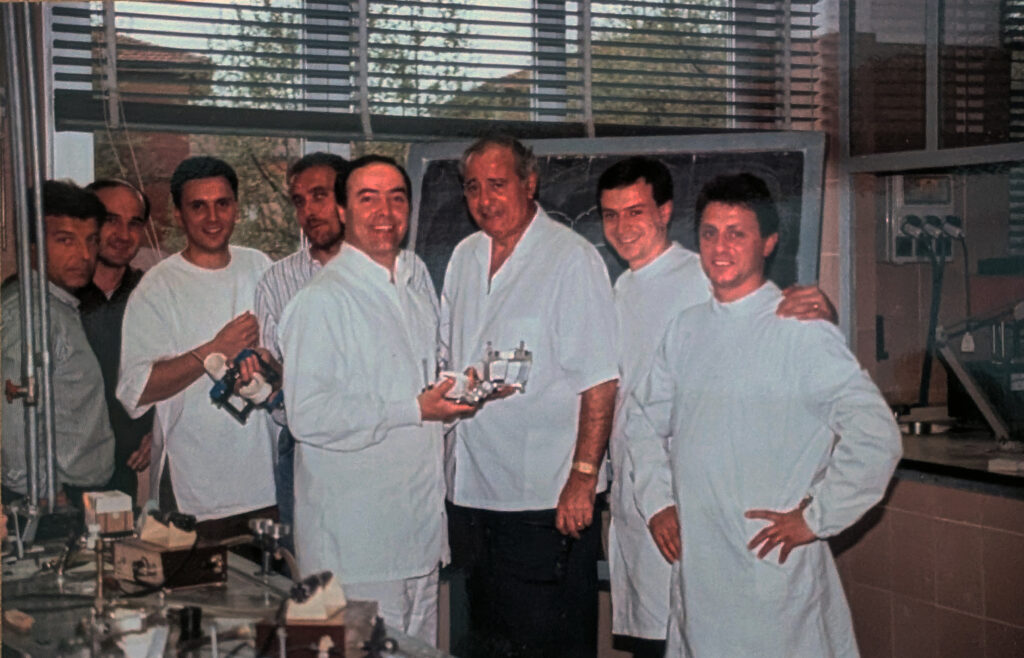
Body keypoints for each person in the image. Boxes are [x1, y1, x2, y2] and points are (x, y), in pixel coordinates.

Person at [626, 172, 901, 657]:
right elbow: (643, 420)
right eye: (710, 233)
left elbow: (877, 437)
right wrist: (657, 501)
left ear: (768, 242)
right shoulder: (687, 330)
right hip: (700, 574)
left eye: (738, 233)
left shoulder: (800, 330)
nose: (720, 247)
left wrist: (816, 518)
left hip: (770, 572)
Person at [598, 157, 836, 657]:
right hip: (646, 505)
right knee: (659, 638)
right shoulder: (620, 288)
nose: (622, 228)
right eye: (611, 215)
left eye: (635, 212)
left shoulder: (703, 279)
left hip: (707, 513)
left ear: (665, 213)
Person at [279, 155, 474, 645]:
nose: (384, 211)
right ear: (343, 210)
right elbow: (307, 416)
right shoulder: (321, 301)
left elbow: (422, 392)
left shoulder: (413, 284)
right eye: (367, 198)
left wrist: (456, 395)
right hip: (356, 549)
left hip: (419, 538)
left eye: (397, 197)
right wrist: (414, 409)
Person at [441, 135, 619, 657]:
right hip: (473, 497)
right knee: (485, 645)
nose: (485, 199)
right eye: (473, 188)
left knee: (548, 645)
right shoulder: (463, 257)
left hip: (546, 502)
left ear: (530, 183)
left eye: (498, 184)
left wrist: (583, 478)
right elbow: (452, 360)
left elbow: (600, 380)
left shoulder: (570, 259)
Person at [117, 156, 277, 537]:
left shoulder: (260, 267)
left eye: (222, 203)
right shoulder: (158, 287)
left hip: (263, 481)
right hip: (192, 489)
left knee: (268, 594)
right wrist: (213, 349)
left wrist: (268, 362)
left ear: (236, 209)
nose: (213, 217)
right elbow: (136, 389)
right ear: (178, 215)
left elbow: (285, 362)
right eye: (198, 206)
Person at [254, 152, 348, 544]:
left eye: (319, 195)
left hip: (377, 446)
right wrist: (267, 379)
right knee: (311, 586)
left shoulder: (392, 271)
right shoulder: (276, 282)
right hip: (304, 447)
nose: (308, 210)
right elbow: (269, 380)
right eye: (298, 200)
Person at [2, 180, 114, 506]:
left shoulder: (57, 307)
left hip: (72, 492)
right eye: (65, 240)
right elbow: (13, 423)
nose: (83, 254)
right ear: (32, 246)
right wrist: (50, 498)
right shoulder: (31, 315)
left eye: (91, 240)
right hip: (52, 498)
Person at [77, 179, 155, 505]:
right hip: (56, 474)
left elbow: (175, 367)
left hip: (122, 473)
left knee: (114, 553)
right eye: (111, 220)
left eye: (134, 223)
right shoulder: (55, 297)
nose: (123, 235)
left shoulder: (152, 295)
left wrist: (159, 430)